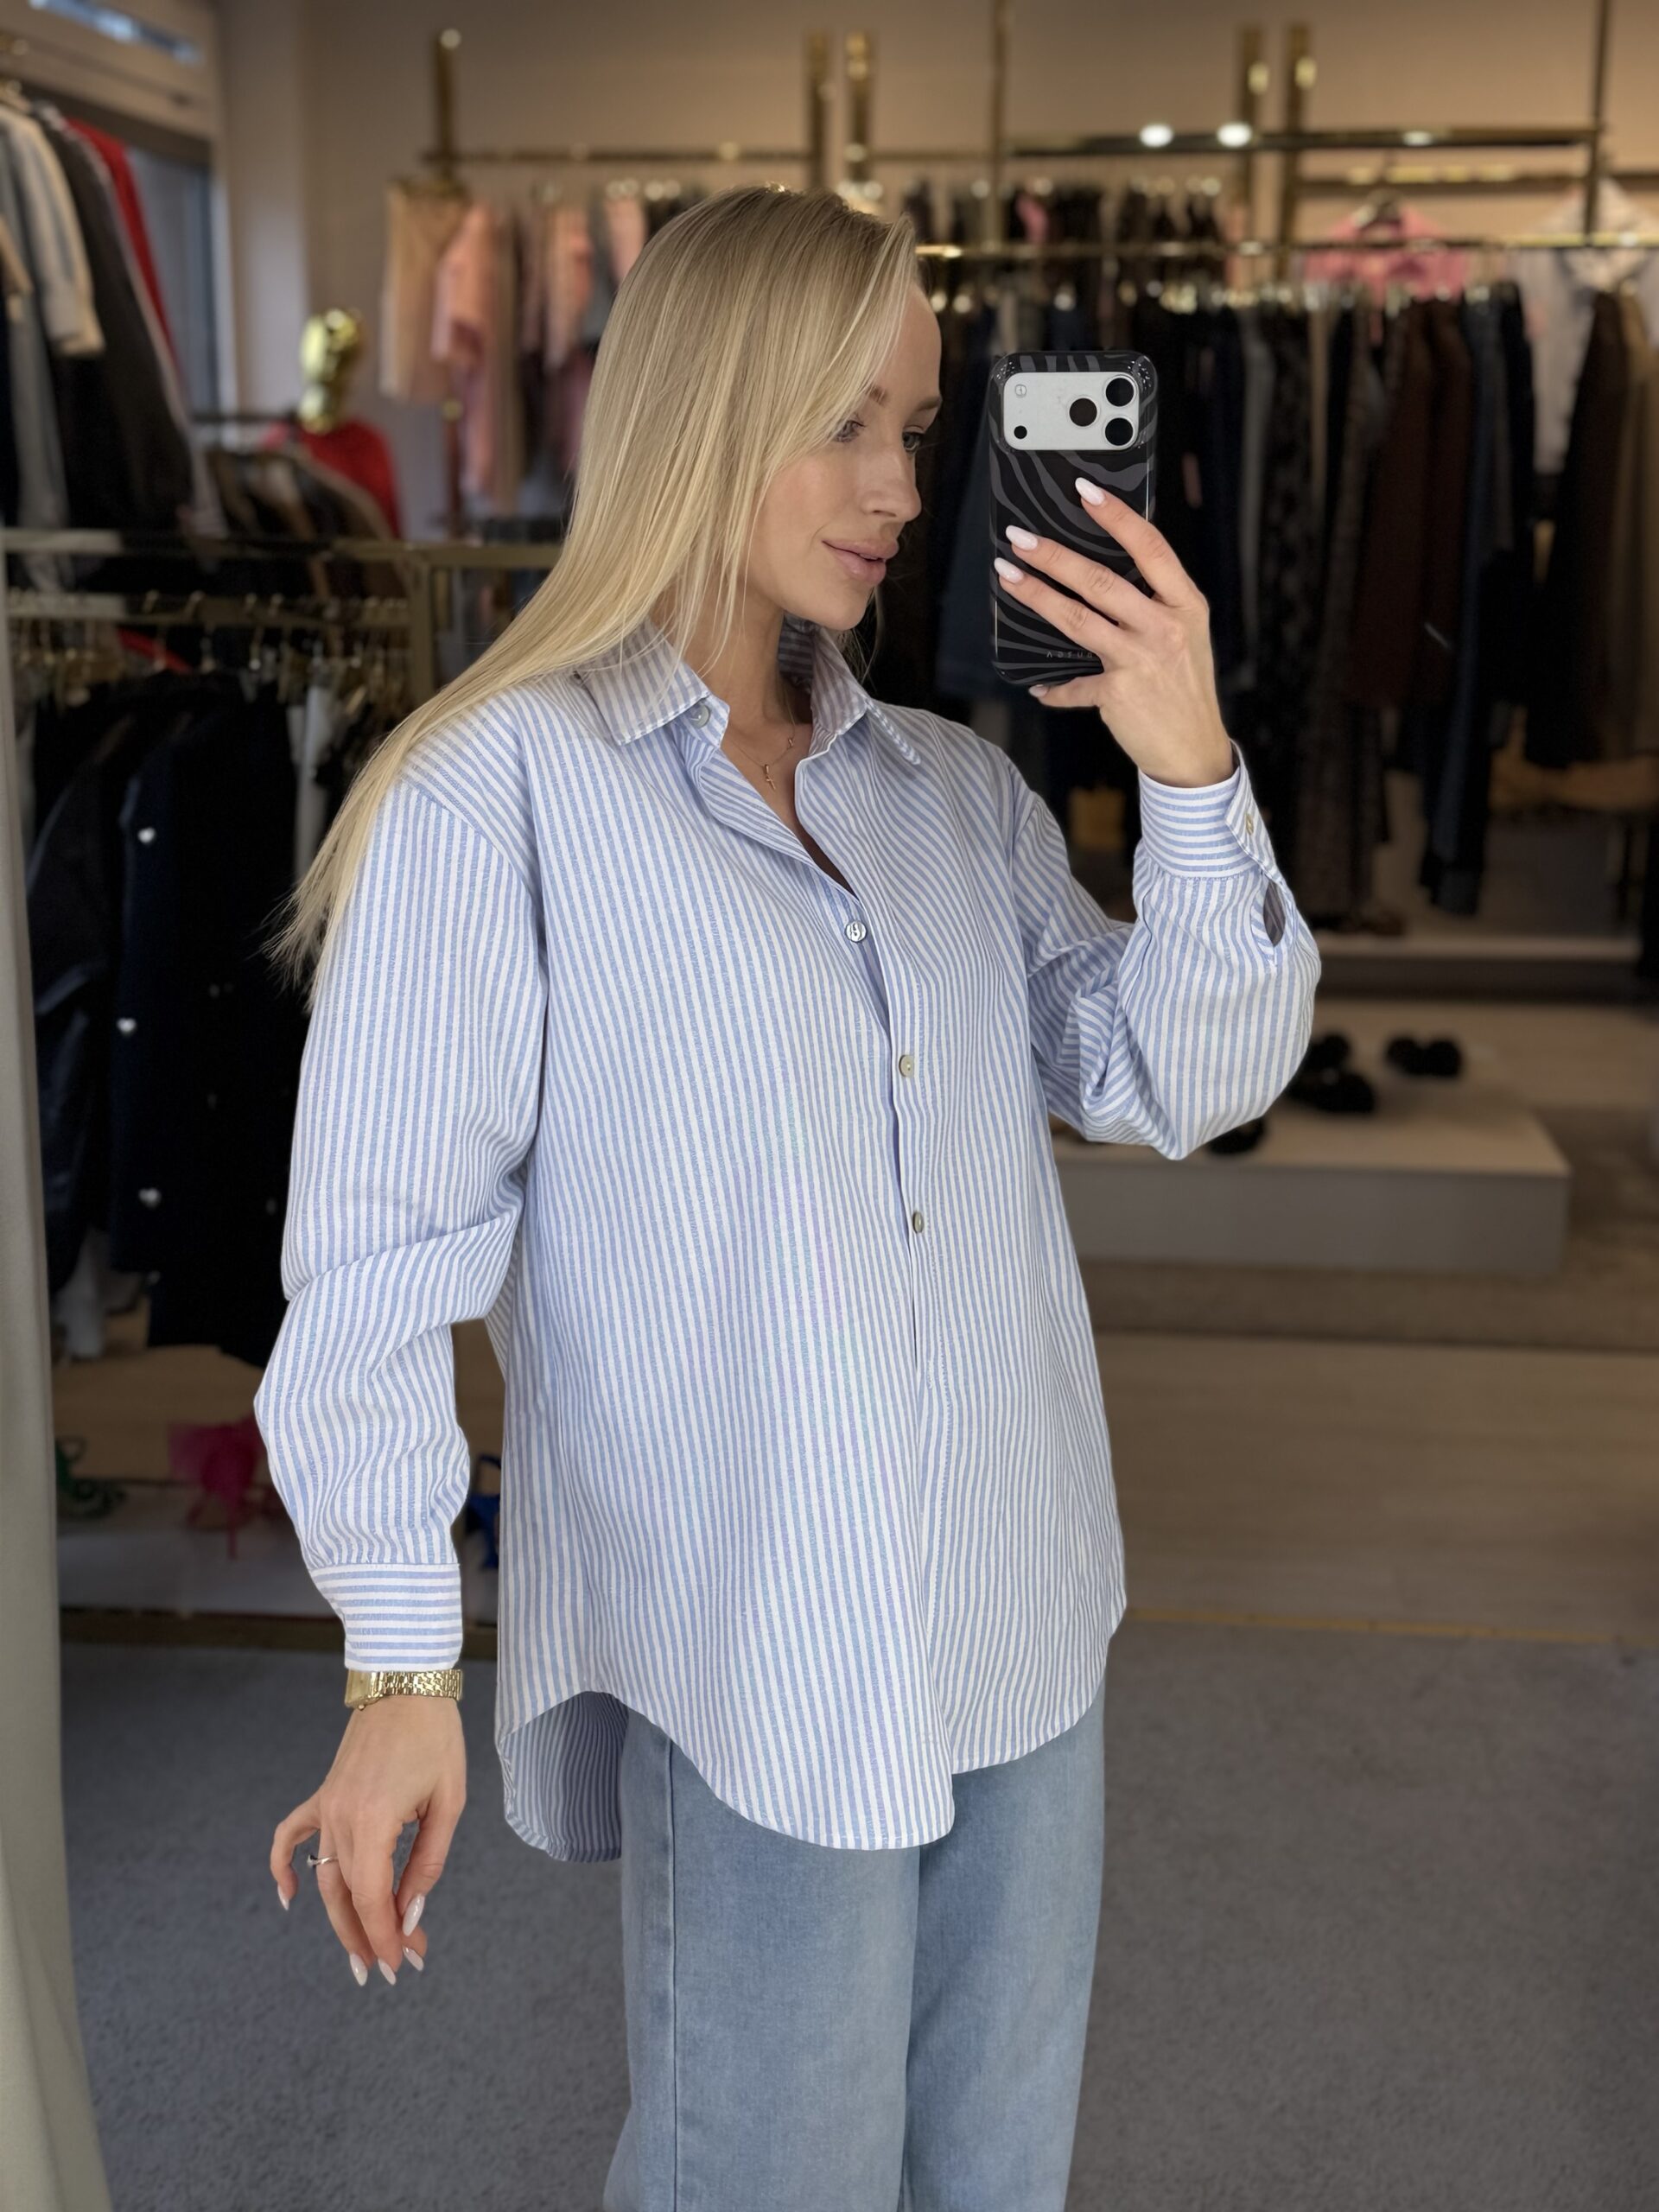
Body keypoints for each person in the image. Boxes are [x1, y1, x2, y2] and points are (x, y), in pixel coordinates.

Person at [256, 185, 1319, 2210]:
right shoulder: (494, 793)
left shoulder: (953, 791)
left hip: (1019, 1600)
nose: (903, 488)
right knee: (769, 2175)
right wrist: (397, 1664)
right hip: (761, 1632)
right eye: (845, 424)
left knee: (993, 2173)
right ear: (702, 409)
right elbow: (381, 1258)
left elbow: (1182, 1075)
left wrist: (1191, 771)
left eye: (916, 427)